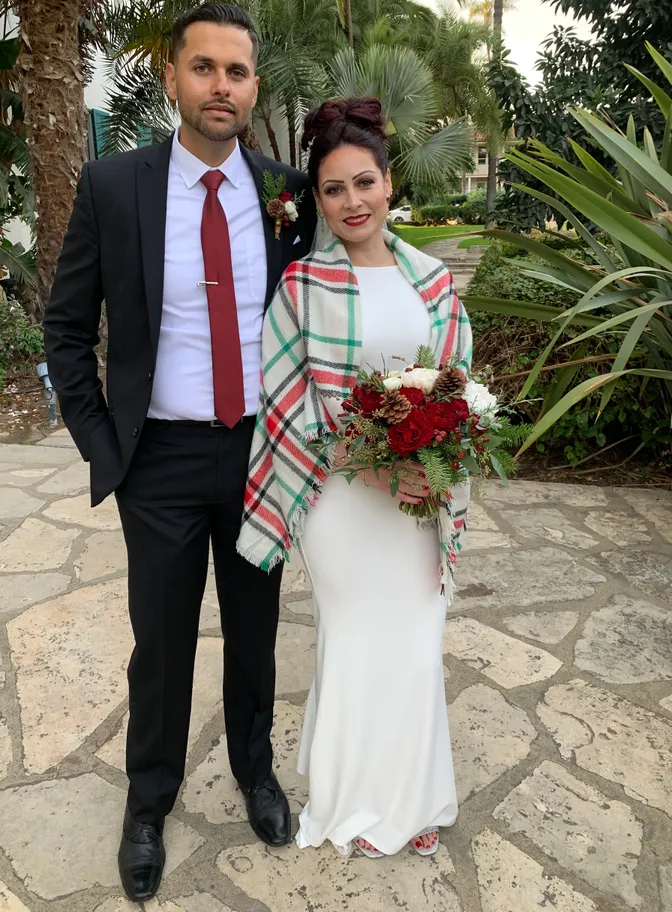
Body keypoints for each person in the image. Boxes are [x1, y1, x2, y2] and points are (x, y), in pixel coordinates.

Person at [43, 2, 317, 901]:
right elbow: (67, 327)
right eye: (204, 68)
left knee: (254, 630)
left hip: (257, 456)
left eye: (237, 72)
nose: (221, 87)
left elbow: (321, 309)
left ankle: (254, 773)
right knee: (159, 643)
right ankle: (148, 804)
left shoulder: (287, 195)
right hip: (156, 461)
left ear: (253, 85)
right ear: (171, 77)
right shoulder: (115, 185)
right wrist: (103, 443)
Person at [238, 97, 472, 859]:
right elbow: (284, 396)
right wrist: (372, 467)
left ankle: (416, 796)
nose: (351, 202)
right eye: (332, 190)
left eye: (363, 182)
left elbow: (458, 386)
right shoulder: (302, 285)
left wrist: (428, 466)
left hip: (417, 497)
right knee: (359, 638)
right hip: (337, 498)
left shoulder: (433, 281)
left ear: (389, 183)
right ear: (317, 199)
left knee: (415, 641)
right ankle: (360, 802)